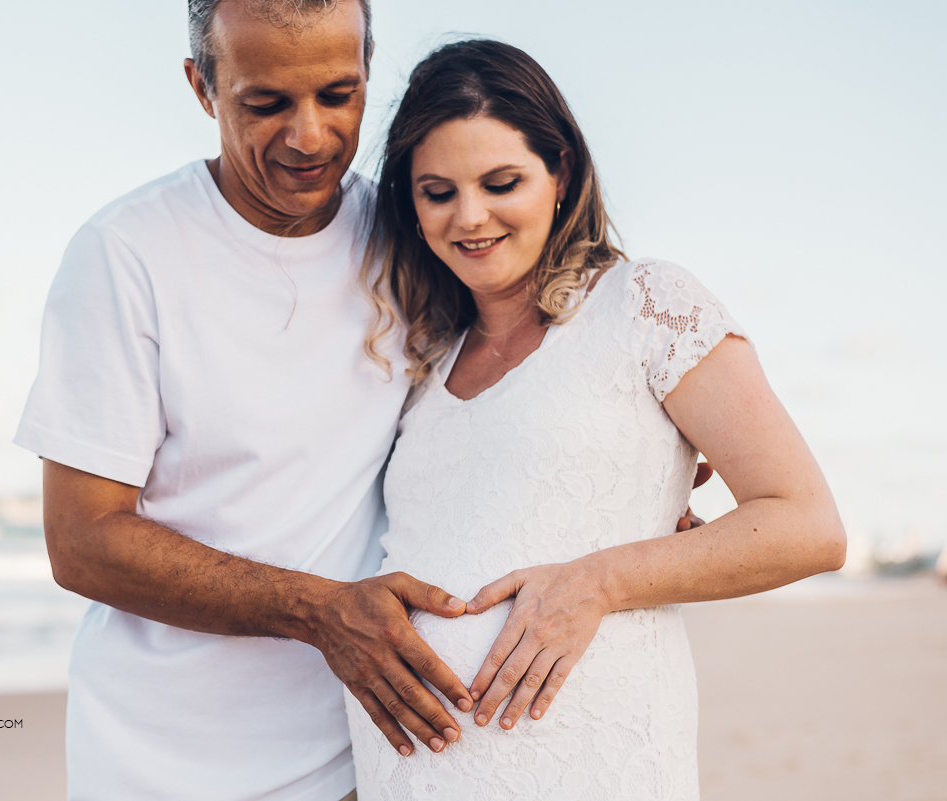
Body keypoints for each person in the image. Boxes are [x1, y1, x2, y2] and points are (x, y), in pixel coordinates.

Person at [344, 39, 847, 800]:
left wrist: (601, 580)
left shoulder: (646, 305)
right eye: (437, 192)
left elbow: (808, 524)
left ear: (562, 173)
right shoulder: (424, 364)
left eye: (501, 181)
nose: (469, 216)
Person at [14, 3, 475, 799]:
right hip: (157, 762)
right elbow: (81, 539)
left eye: (339, 94)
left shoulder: (414, 236)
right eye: (267, 103)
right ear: (203, 87)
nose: (309, 135)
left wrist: (638, 475)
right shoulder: (125, 254)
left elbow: (503, 384)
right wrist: (320, 612)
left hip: (357, 753)